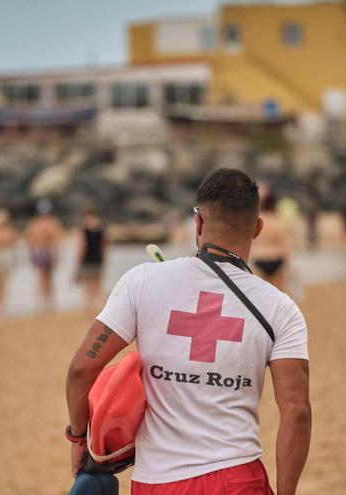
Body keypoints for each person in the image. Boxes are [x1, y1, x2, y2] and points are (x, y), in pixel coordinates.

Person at [65, 168, 311, 495]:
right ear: (257, 228)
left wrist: (80, 439)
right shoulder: (281, 309)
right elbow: (297, 413)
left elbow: (82, 369)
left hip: (158, 482)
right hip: (237, 479)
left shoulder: (141, 282)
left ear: (197, 222)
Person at [25, 198, 64, 312]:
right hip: (43, 251)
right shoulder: (48, 223)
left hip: (43, 251)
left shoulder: (37, 224)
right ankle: (44, 303)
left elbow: (31, 240)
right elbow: (31, 240)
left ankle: (45, 303)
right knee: (44, 278)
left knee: (45, 278)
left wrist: (57, 254)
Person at [252, 191, 291, 291]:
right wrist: (289, 266)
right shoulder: (278, 220)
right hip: (276, 258)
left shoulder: (258, 220)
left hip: (260, 257)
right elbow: (284, 244)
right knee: (277, 294)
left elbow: (252, 241)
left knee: (260, 294)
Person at [75, 206, 107, 314]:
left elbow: (82, 246)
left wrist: (78, 261)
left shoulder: (84, 228)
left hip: (87, 259)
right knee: (98, 285)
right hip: (98, 259)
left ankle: (88, 308)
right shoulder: (101, 227)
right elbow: (104, 245)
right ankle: (100, 308)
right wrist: (104, 259)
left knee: (87, 286)